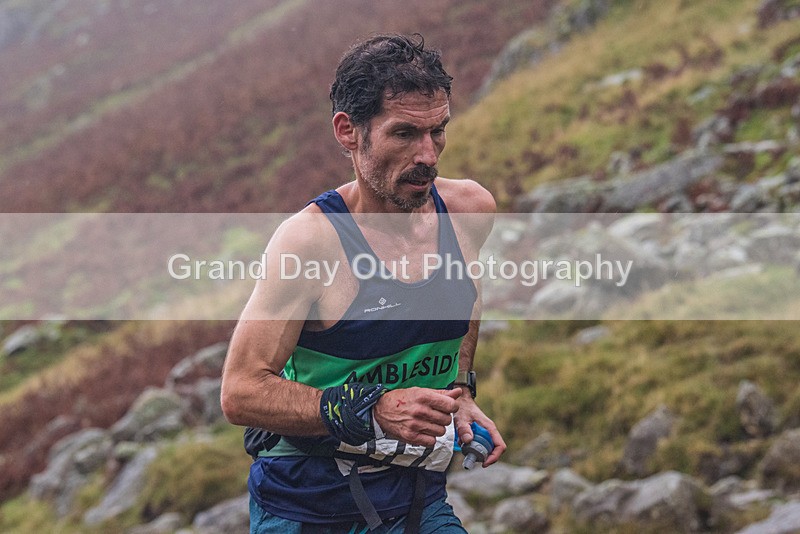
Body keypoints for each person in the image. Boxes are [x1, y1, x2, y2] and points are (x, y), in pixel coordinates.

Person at [221, 33, 506, 533]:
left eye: (438, 131)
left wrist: (460, 389)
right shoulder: (310, 243)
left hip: (416, 500)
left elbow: (467, 297)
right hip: (305, 507)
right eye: (404, 134)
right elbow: (241, 392)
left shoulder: (468, 212)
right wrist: (371, 408)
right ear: (348, 131)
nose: (428, 155)